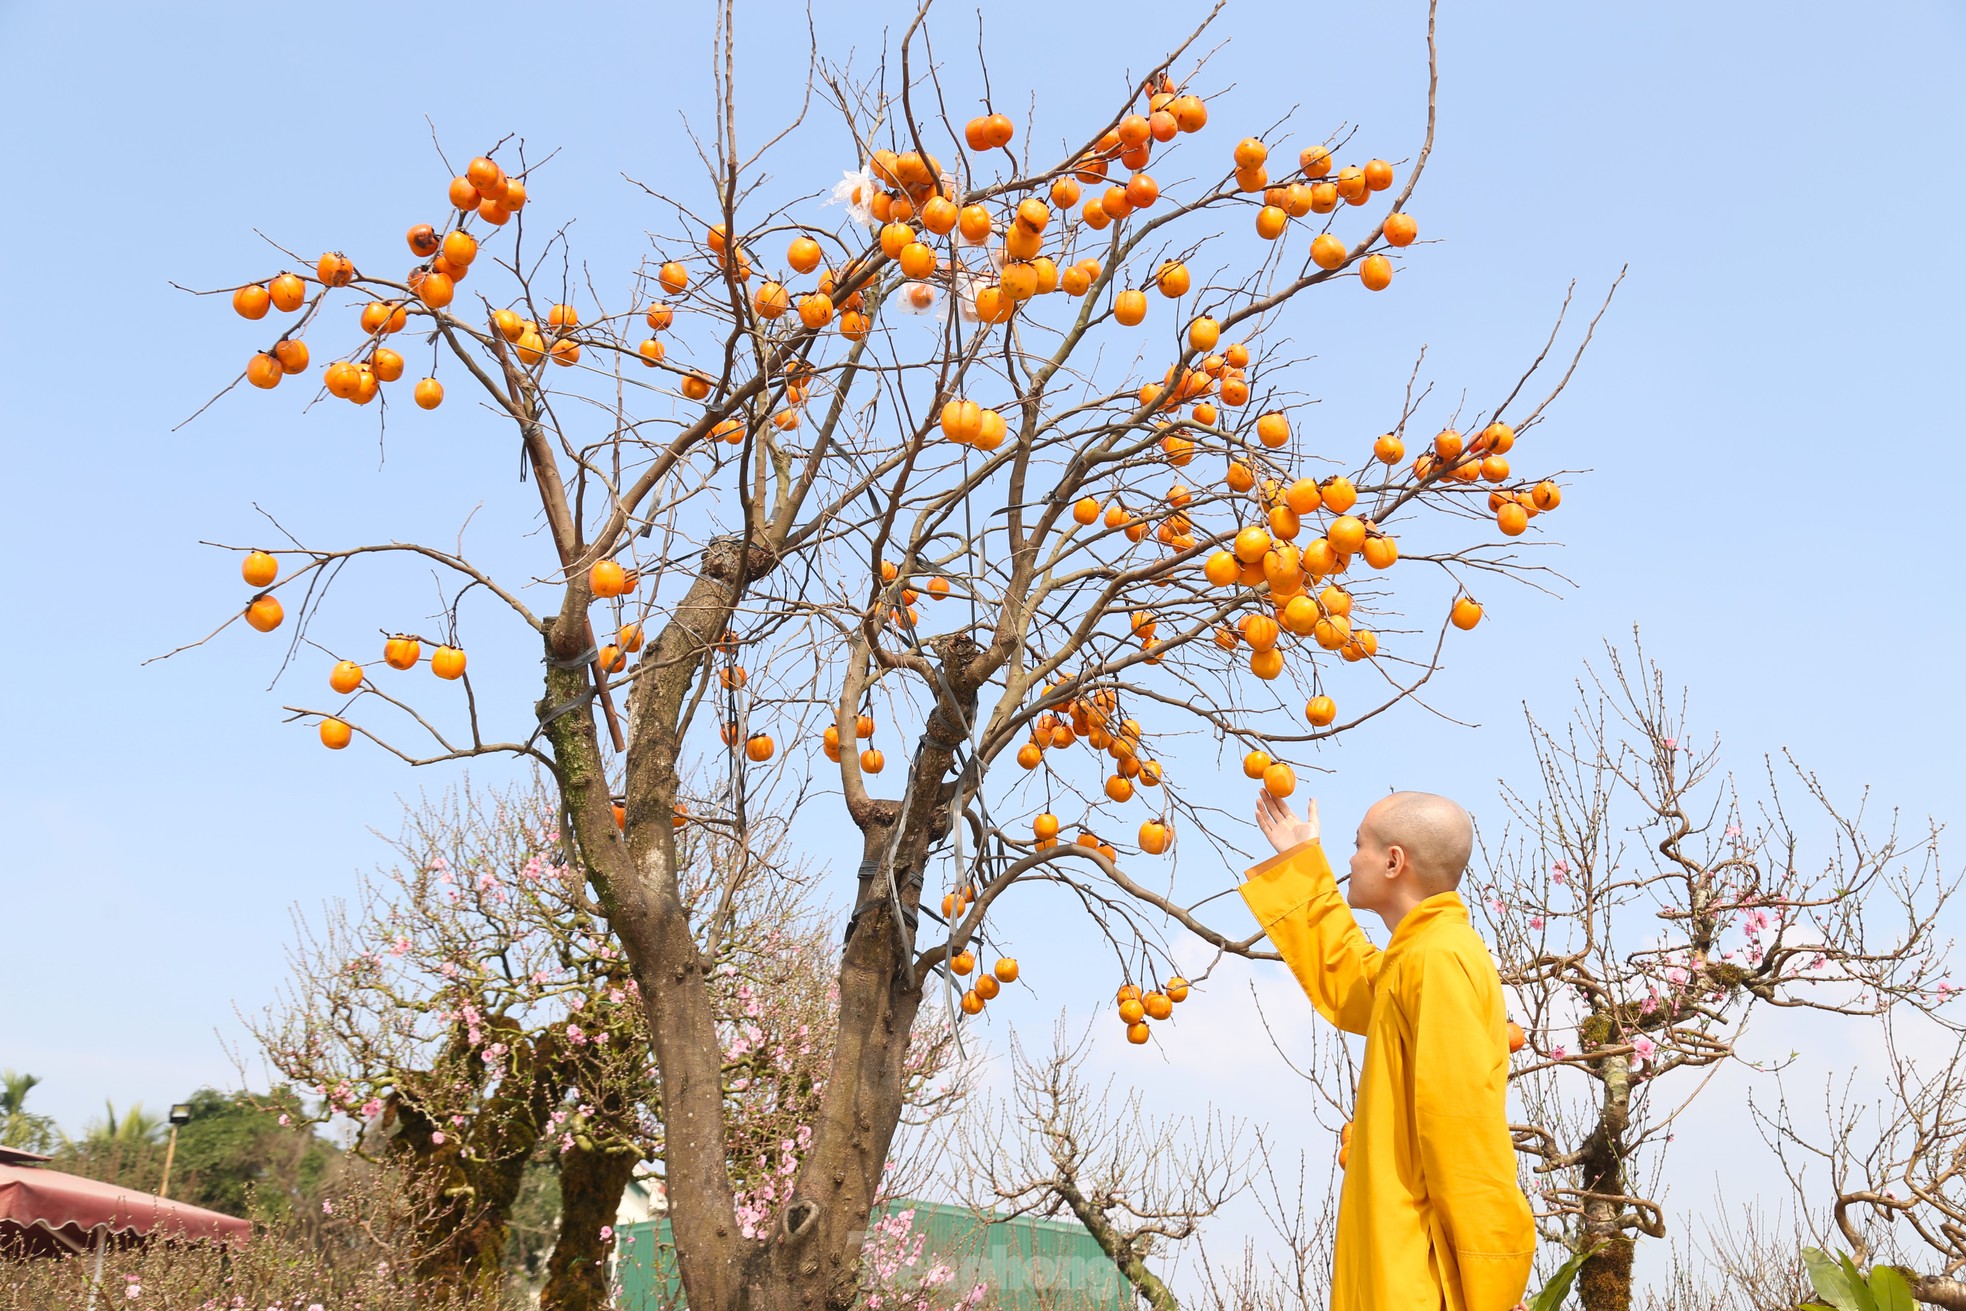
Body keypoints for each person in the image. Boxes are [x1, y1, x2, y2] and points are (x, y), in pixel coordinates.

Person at [1242, 788, 1536, 1311]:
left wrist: (1488, 1281)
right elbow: (1352, 977)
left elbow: (1463, 1131)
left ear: (1394, 861)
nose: (1349, 860)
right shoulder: (1419, 954)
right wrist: (1298, 863)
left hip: (1421, 1277)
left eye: (1358, 846)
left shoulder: (1440, 958)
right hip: (1393, 1261)